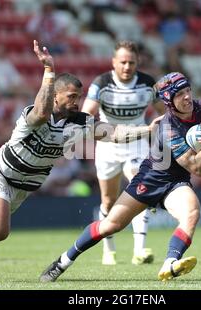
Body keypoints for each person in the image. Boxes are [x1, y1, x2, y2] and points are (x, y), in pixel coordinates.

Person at [0, 40, 159, 277]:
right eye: (71, 97)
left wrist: (146, 131)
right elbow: (41, 110)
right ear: (55, 97)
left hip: (24, 185)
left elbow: (114, 133)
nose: (77, 102)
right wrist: (49, 70)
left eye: (79, 96)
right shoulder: (34, 114)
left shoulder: (81, 122)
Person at [39, 72, 201, 282]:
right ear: (168, 101)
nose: (187, 97)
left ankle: (170, 263)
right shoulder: (168, 127)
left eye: (188, 90)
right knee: (110, 225)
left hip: (175, 183)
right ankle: (63, 261)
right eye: (180, 94)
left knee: (192, 213)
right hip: (149, 179)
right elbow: (197, 168)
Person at [81, 40, 164, 265]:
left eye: (132, 62)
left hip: (137, 142)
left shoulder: (148, 84)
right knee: (108, 201)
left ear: (138, 63)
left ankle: (140, 250)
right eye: (123, 62)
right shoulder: (102, 83)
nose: (127, 67)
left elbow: (163, 112)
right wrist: (87, 122)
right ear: (114, 62)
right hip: (108, 145)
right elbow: (87, 112)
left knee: (140, 191)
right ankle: (108, 250)